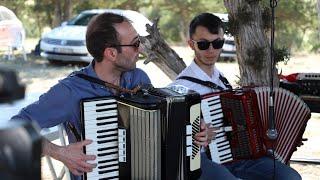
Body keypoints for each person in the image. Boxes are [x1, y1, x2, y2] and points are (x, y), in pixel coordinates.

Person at [11, 12, 207, 179]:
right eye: (135, 44)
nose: (141, 49)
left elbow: (160, 123)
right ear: (111, 53)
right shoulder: (71, 91)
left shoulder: (138, 78)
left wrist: (192, 129)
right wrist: (59, 153)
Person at [170, 12, 301, 180]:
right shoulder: (179, 87)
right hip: (203, 160)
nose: (211, 50)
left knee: (290, 177)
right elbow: (169, 134)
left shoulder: (221, 79)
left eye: (217, 43)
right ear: (191, 44)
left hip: (237, 158)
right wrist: (195, 133)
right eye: (203, 44)